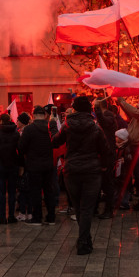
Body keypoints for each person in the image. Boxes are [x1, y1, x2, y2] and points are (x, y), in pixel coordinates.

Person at [51, 96, 111, 254]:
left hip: (72, 171)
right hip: (92, 171)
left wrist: (52, 125)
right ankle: (84, 242)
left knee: (79, 207)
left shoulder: (67, 125)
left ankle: (85, 239)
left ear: (75, 109)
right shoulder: (95, 126)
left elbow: (55, 142)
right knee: (87, 208)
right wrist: (104, 166)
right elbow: (105, 149)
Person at [18, 106, 56, 225]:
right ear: (44, 115)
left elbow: (21, 148)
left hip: (34, 165)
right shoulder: (50, 128)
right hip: (49, 165)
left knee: (35, 192)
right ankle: (51, 217)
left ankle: (37, 218)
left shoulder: (29, 129)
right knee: (49, 191)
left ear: (33, 115)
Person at [0, 112, 22, 224]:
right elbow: (21, 150)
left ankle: (2, 217)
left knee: (1, 192)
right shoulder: (16, 134)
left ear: (0, 121)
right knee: (12, 192)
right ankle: (11, 216)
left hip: (0, 165)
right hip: (13, 164)